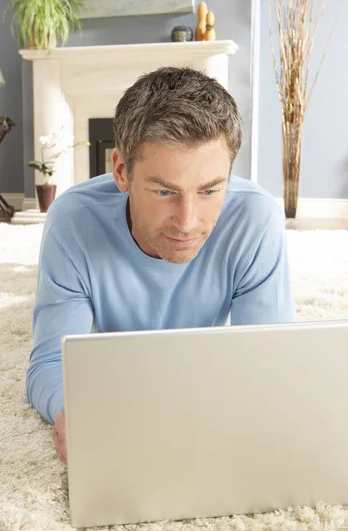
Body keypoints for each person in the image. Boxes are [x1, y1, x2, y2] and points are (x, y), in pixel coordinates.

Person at [26, 66, 295, 464]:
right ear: (121, 170)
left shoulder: (255, 219)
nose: (187, 222)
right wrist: (75, 414)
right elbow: (49, 362)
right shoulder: (72, 220)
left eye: (209, 190)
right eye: (165, 191)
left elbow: (268, 363)